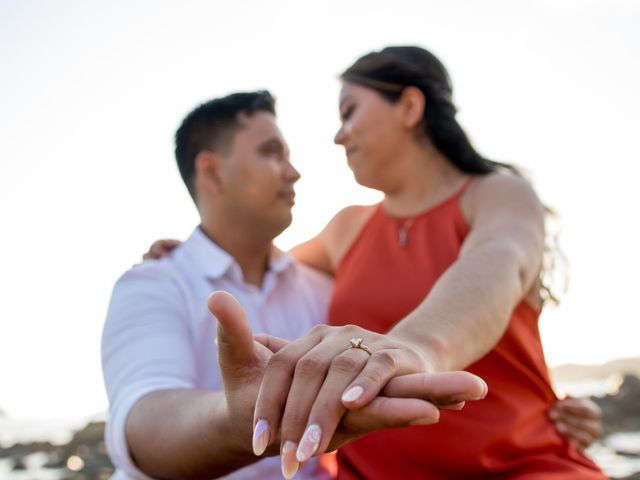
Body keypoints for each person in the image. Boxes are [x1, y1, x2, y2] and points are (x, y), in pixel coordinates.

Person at [242, 46, 607, 478]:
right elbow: (258, 263)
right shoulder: (346, 228)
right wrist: (183, 253)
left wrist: (413, 349)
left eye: (350, 112)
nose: (338, 136)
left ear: (410, 107)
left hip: (521, 466)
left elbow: (497, 265)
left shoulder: (497, 194)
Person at [101, 91, 489, 480]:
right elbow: (143, 420)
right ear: (213, 171)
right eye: (272, 153)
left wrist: (547, 407)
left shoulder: (325, 287)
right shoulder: (152, 284)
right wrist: (239, 423)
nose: (294, 172)